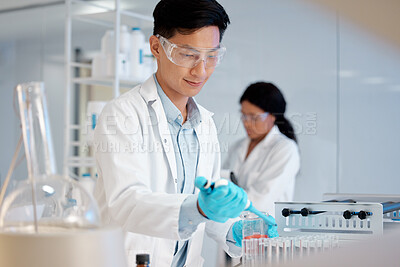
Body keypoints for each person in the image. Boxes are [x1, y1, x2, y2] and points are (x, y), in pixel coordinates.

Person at [93, 1, 261, 266]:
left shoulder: (204, 124)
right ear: (157, 48)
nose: (201, 70)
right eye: (188, 55)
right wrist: (198, 208)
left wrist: (235, 229)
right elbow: (126, 202)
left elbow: (204, 207)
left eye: (211, 56)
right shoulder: (122, 115)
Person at [223, 82, 300, 217]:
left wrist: (223, 203)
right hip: (233, 230)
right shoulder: (237, 147)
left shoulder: (285, 149)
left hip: (268, 233)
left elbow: (260, 201)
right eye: (244, 115)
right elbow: (221, 186)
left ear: (272, 116)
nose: (247, 123)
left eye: (254, 117)